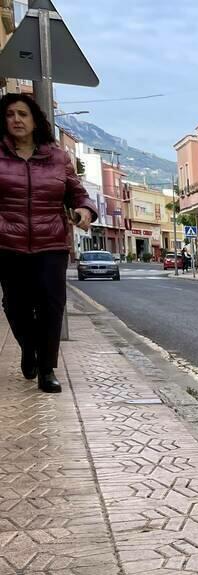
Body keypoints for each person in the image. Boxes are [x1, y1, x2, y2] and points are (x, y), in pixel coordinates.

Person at [0, 93, 97, 393]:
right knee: (14, 306)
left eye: (23, 114)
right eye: (10, 114)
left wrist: (84, 210)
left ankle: (47, 369)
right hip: (7, 242)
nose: (16, 119)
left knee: (52, 305)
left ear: (35, 120)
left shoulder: (57, 157)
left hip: (51, 243)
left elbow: (77, 193)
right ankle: (29, 348)